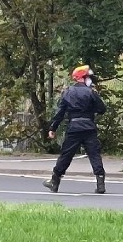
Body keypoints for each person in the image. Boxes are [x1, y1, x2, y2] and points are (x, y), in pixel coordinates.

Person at [43, 65, 107, 194]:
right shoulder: (91, 92)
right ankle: (100, 183)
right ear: (83, 78)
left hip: (74, 128)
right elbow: (102, 109)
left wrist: (53, 127)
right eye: (88, 77)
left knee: (66, 155)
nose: (90, 79)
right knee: (94, 155)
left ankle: (55, 182)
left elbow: (60, 112)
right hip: (89, 127)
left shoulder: (68, 92)